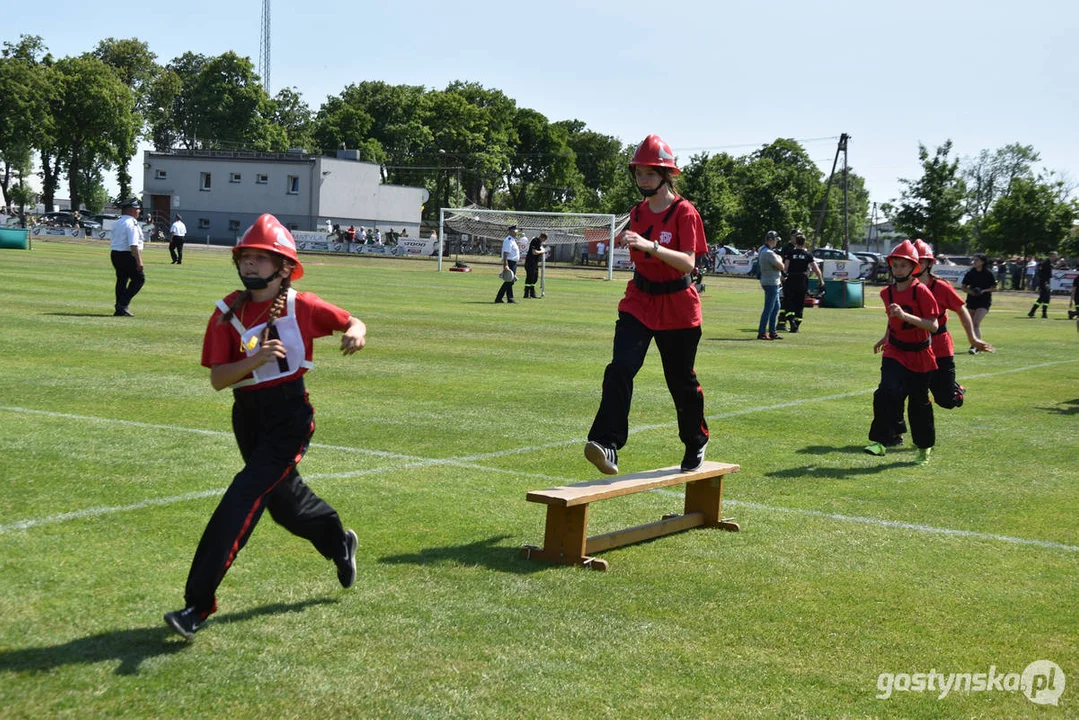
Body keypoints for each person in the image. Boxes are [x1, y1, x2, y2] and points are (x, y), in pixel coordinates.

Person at [164, 214, 367, 640]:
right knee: (285, 506)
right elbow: (219, 380)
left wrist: (356, 332)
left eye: (261, 258)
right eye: (246, 257)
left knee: (241, 499)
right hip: (248, 418)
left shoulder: (303, 305)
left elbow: (351, 320)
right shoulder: (225, 312)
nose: (251, 265)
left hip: (290, 418)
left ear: (285, 269)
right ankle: (338, 542)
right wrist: (255, 360)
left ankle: (196, 606)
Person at [584, 134, 709, 475]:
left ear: (666, 175)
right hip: (639, 301)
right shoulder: (636, 212)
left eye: (650, 174)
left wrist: (650, 246)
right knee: (620, 368)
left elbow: (688, 262)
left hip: (678, 305)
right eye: (638, 173)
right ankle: (607, 444)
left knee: (680, 381)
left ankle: (696, 441)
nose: (642, 180)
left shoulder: (685, 212)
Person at [864, 240, 939, 464]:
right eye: (894, 265)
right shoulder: (887, 293)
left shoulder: (921, 291)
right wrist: (886, 337)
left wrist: (905, 317)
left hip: (920, 354)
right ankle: (880, 441)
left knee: (919, 402)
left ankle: (924, 446)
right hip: (895, 350)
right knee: (886, 392)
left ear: (913, 267)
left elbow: (933, 326)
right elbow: (893, 319)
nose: (898, 269)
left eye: (903, 265)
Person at [910, 240, 992, 418]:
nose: (915, 266)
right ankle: (894, 434)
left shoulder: (940, 286)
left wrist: (973, 339)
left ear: (929, 264)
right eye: (912, 261)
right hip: (914, 346)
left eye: (920, 262)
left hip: (939, 346)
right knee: (907, 391)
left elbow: (961, 310)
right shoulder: (905, 286)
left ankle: (956, 389)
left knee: (946, 400)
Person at [779, 231, 824, 334]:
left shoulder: (790, 253)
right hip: (802, 280)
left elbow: (785, 268)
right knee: (799, 303)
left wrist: (782, 279)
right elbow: (816, 269)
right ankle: (797, 326)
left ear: (796, 243)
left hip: (791, 279)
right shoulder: (808, 254)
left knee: (789, 301)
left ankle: (791, 322)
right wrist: (821, 282)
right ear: (804, 243)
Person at [110, 198, 146, 316]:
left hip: (116, 253)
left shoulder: (118, 222)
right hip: (127, 254)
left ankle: (119, 308)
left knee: (122, 280)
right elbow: (133, 245)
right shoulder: (131, 223)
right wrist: (139, 261)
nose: (139, 211)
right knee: (139, 279)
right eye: (137, 209)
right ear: (131, 210)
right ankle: (122, 304)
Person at [961, 253, 997, 351]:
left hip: (984, 300)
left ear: (982, 262)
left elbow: (994, 288)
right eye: (974, 260)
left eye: (976, 260)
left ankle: (975, 346)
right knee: (971, 324)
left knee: (976, 322)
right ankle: (977, 344)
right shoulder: (970, 273)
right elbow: (963, 287)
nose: (974, 262)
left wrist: (983, 291)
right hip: (972, 300)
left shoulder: (988, 273)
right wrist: (971, 292)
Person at [756, 231, 784, 340]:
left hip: (770, 281)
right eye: (776, 239)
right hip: (771, 282)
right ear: (771, 240)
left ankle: (773, 331)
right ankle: (762, 332)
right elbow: (781, 266)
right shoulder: (769, 253)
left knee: (776, 307)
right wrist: (780, 258)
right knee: (769, 308)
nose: (776, 242)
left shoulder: (762, 250)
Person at [495, 225, 520, 303]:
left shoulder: (512, 240)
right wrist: (506, 265)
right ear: (510, 232)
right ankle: (499, 297)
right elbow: (506, 253)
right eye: (514, 232)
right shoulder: (508, 240)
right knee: (510, 281)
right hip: (510, 262)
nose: (516, 233)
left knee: (510, 280)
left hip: (513, 262)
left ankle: (510, 298)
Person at [1027, 252, 1058, 318]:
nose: (1055, 257)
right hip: (1044, 282)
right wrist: (1046, 283)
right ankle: (1032, 312)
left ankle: (1043, 313)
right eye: (1054, 256)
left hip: (1046, 282)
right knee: (1043, 297)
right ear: (1051, 256)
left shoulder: (1048, 263)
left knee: (1046, 298)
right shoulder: (1046, 263)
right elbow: (1043, 274)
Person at [523, 232, 547, 298]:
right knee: (530, 278)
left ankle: (532, 293)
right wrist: (542, 251)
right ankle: (526, 293)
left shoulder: (539, 243)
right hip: (530, 262)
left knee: (535, 278)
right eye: (544, 239)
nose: (544, 241)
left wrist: (542, 250)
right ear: (542, 237)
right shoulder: (535, 241)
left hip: (535, 263)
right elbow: (534, 252)